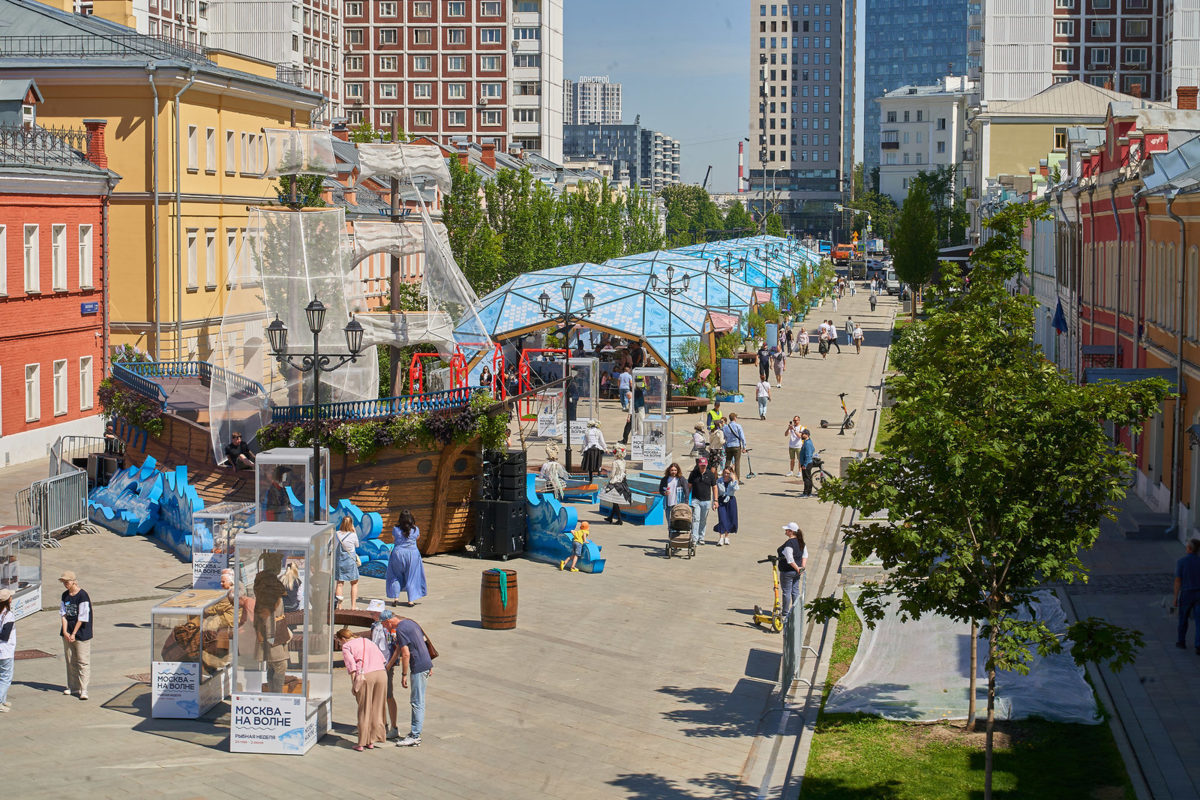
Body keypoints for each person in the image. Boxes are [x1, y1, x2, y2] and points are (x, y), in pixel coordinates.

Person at [336, 627, 387, 751]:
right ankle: (372, 739)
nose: (340, 644)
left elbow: (352, 668)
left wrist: (354, 684)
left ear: (343, 639)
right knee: (377, 708)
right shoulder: (367, 641)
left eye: (339, 641)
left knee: (364, 709)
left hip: (365, 676)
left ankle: (361, 743)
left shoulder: (347, 646)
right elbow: (382, 658)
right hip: (381, 674)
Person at [393, 615, 434, 748]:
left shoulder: (400, 630)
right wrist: (429, 664)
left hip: (418, 667)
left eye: (385, 625)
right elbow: (423, 642)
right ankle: (415, 734)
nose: (387, 629)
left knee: (417, 702)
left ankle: (415, 735)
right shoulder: (410, 623)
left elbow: (405, 654)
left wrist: (404, 674)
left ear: (388, 621)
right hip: (425, 664)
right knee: (419, 700)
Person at [252, 555, 290, 693]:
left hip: (275, 629)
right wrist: (270, 637)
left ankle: (274, 693)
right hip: (272, 632)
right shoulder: (268, 586)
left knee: (273, 665)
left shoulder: (267, 582)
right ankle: (276, 694)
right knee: (280, 665)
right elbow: (265, 615)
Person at [58, 570, 92, 700]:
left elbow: (83, 617)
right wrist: (66, 631)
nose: (65, 584)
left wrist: (74, 633)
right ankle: (72, 686)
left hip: (81, 633)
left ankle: (84, 689)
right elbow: (63, 614)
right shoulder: (65, 595)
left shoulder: (83, 596)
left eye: (67, 582)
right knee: (70, 659)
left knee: (82, 661)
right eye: (64, 582)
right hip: (67, 633)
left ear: (73, 581)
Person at [386, 510, 428, 607]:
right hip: (412, 554)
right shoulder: (416, 529)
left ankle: (396, 598)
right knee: (412, 577)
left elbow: (393, 539)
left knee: (395, 576)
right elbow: (417, 538)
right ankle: (411, 600)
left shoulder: (395, 529)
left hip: (398, 554)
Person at [370, 611, 401, 739]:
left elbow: (394, 649)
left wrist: (388, 666)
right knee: (377, 696)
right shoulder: (375, 627)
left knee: (388, 695)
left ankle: (393, 727)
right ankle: (381, 725)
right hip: (375, 665)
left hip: (385, 666)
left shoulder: (389, 630)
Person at [777, 523, 808, 617]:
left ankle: (785, 612)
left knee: (786, 592)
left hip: (787, 571)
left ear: (791, 532)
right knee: (795, 590)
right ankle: (796, 610)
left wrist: (796, 568)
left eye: (787, 530)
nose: (785, 531)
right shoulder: (801, 542)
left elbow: (790, 560)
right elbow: (805, 555)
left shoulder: (789, 544)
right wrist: (801, 567)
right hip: (797, 572)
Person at [1174, 538, 1200, 651]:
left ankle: (1181, 641)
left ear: (1189, 548)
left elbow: (1178, 581)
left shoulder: (1181, 562)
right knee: (1199, 621)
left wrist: (1175, 597)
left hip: (1186, 594)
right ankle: (1198, 645)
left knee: (1183, 619)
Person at [687, 456, 717, 546]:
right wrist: (686, 499)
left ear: (706, 465)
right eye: (701, 465)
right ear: (698, 465)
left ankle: (701, 537)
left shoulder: (710, 474)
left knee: (703, 520)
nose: (702, 467)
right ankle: (694, 538)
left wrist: (715, 500)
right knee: (696, 519)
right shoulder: (693, 473)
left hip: (706, 501)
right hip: (695, 500)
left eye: (704, 465)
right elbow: (689, 486)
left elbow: (714, 487)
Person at [334, 516, 360, 610]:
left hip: (340, 561)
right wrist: (355, 532)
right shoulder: (353, 535)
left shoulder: (336, 534)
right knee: (354, 583)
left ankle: (339, 606)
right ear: (351, 524)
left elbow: (332, 546)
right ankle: (353, 606)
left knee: (339, 583)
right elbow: (357, 545)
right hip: (350, 562)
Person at [603, 444, 630, 525]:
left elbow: (612, 474)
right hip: (622, 481)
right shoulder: (623, 461)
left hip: (615, 482)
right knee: (615, 501)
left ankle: (619, 519)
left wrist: (607, 473)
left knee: (614, 501)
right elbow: (624, 471)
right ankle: (610, 517)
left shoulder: (615, 462)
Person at [714, 467, 739, 547]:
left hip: (731, 500)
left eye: (728, 473)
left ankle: (726, 537)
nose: (725, 475)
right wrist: (714, 502)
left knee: (729, 519)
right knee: (722, 518)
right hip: (721, 500)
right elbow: (716, 492)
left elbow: (736, 488)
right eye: (725, 473)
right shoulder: (719, 481)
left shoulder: (733, 481)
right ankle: (721, 537)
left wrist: (734, 479)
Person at [581, 419, 608, 484]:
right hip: (597, 448)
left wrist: (582, 450)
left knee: (590, 465)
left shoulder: (587, 432)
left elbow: (585, 442)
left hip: (589, 449)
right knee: (598, 463)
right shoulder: (598, 432)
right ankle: (598, 475)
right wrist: (605, 449)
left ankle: (590, 479)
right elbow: (602, 441)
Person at [0, 588, 14, 712]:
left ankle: (3, 700)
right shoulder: (8, 615)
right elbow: (5, 635)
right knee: (6, 677)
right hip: (5, 651)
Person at [723, 413, 747, 480]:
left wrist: (725, 447)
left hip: (728, 446)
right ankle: (737, 479)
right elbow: (742, 437)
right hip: (736, 446)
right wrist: (744, 447)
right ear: (735, 418)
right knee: (737, 463)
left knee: (727, 461)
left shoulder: (725, 427)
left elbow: (724, 438)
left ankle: (725, 476)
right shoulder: (738, 426)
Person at [798, 429, 816, 497]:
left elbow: (808, 455)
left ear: (807, 435)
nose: (801, 435)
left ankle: (806, 493)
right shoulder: (807, 442)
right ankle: (808, 492)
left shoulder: (807, 443)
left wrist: (805, 465)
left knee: (806, 479)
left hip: (807, 463)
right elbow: (813, 449)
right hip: (807, 462)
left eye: (803, 434)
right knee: (808, 478)